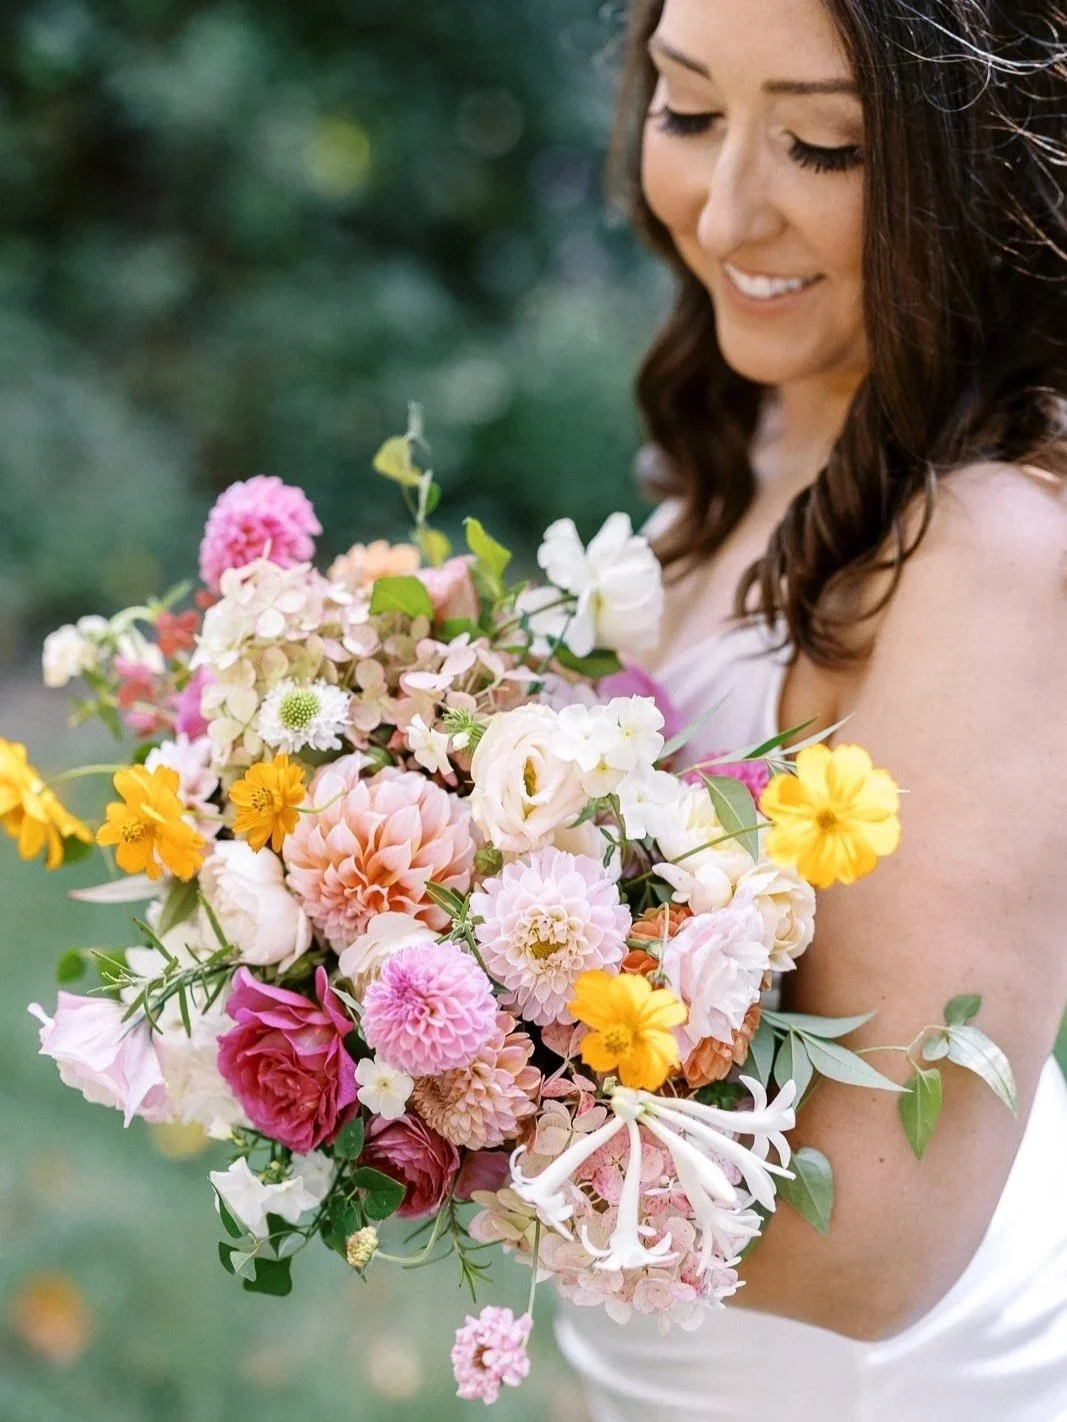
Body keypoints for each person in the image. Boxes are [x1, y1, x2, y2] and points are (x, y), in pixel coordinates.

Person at [551, 1, 1067, 1417]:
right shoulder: (749, 430)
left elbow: (869, 1248)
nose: (723, 213)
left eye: (821, 144)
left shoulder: (990, 550)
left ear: (979, 160)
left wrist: (411, 1095)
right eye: (688, 110)